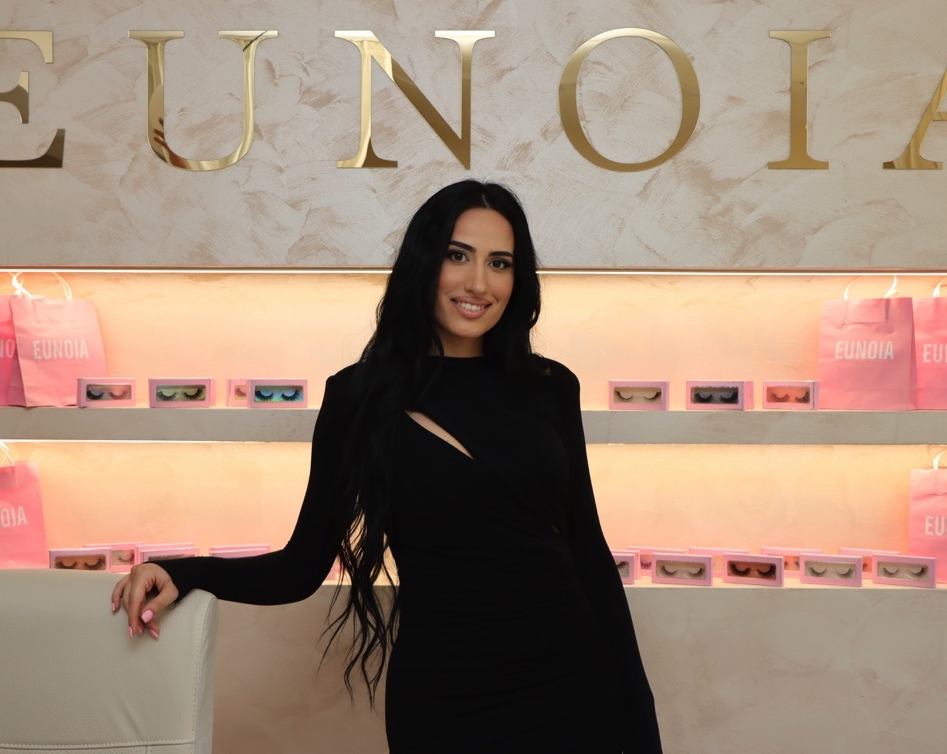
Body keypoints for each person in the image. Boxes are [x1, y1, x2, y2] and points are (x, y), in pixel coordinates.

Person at [111, 180, 663, 753]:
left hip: (575, 687)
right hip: (445, 703)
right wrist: (183, 572)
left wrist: (641, 725)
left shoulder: (550, 386)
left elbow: (589, 552)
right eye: (457, 256)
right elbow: (299, 568)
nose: (479, 283)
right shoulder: (358, 396)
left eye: (499, 263)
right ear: (424, 262)